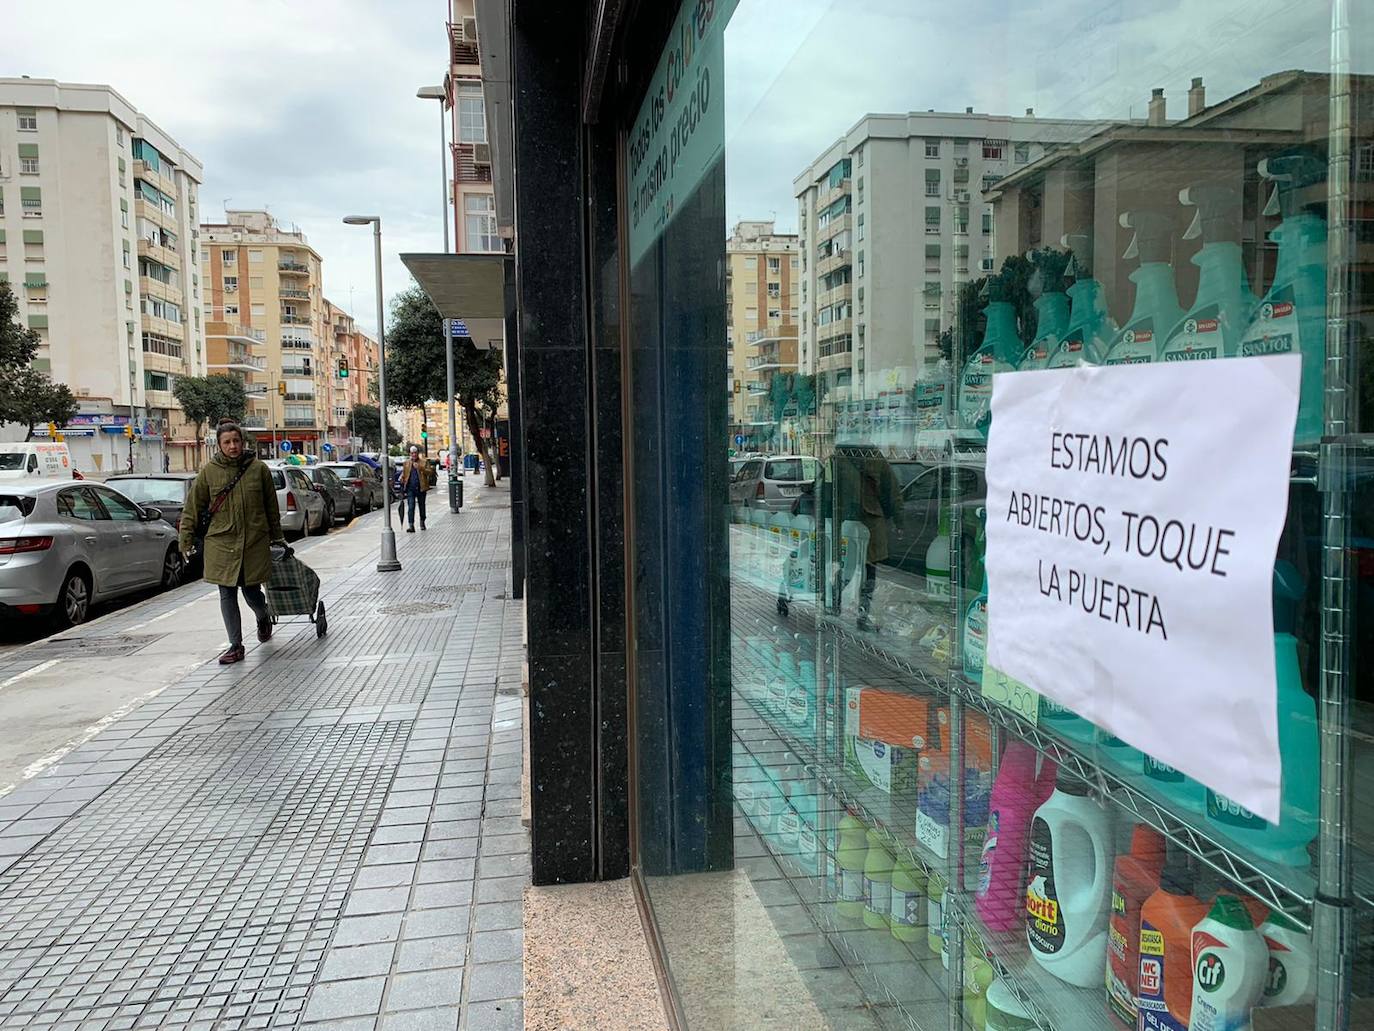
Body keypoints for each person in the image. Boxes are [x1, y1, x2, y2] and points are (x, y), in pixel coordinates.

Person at [180, 420, 286, 664]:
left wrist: (277, 537)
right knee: (226, 592)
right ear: (219, 445)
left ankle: (263, 616)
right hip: (221, 543)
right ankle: (235, 646)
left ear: (242, 442)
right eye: (227, 442)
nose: (232, 446)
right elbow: (192, 508)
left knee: (251, 591)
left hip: (253, 542)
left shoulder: (259, 470)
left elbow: (271, 508)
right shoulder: (209, 472)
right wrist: (185, 540)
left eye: (236, 441)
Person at [400, 444, 432, 531]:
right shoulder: (406, 463)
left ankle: (422, 522)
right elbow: (404, 474)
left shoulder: (424, 462)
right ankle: (411, 525)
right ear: (410, 454)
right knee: (411, 506)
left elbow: (430, 472)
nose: (414, 454)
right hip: (410, 488)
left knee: (422, 506)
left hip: (421, 488)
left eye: (415, 453)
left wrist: (420, 468)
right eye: (412, 453)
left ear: (418, 453)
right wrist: (402, 479)